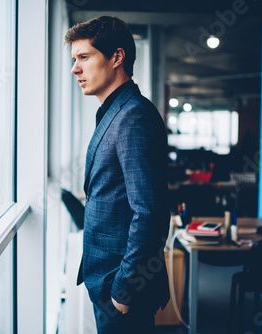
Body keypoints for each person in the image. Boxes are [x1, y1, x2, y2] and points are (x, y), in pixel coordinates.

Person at [65, 16, 171, 333]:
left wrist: (124, 288)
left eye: (84, 57)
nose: (75, 69)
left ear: (116, 57)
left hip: (122, 287)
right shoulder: (115, 111)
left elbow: (149, 210)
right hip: (107, 281)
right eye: (74, 59)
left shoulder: (132, 115)